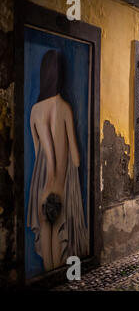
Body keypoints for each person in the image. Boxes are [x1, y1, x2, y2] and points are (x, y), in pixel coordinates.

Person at [27, 50, 88, 271]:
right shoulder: (65, 108)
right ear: (61, 75)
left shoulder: (34, 111)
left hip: (42, 190)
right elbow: (76, 159)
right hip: (61, 189)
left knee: (46, 253)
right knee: (57, 245)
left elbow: (37, 154)